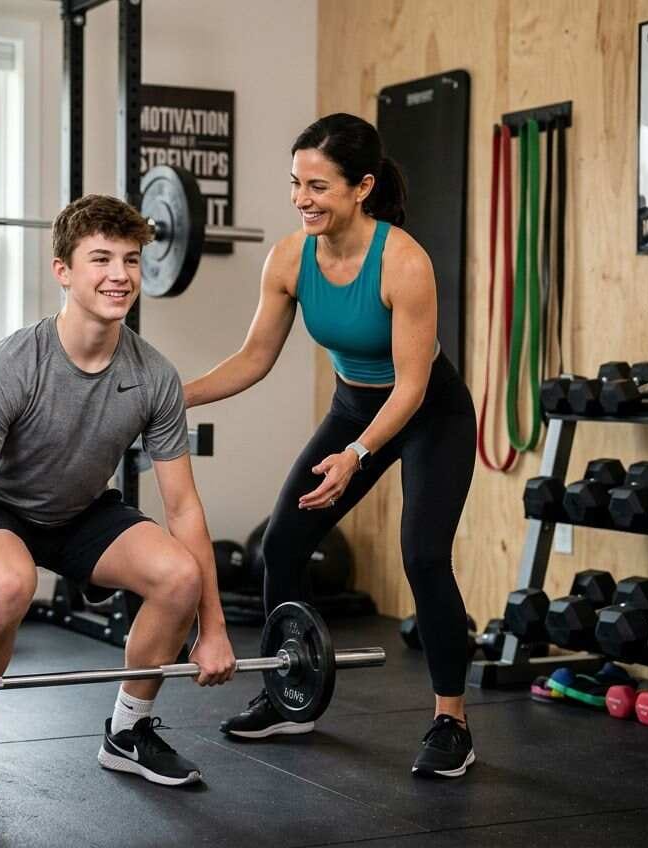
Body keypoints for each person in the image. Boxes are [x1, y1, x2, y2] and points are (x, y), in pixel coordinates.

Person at [185, 113, 477, 778]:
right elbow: (254, 358)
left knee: (424, 556)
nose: (301, 198)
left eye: (317, 186)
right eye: (295, 184)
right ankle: (294, 698)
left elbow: (410, 388)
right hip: (354, 407)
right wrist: (176, 395)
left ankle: (451, 720)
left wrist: (359, 455)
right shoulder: (290, 258)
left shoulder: (404, 262)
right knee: (285, 542)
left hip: (429, 412)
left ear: (361, 187)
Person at [0, 194, 237, 807]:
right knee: (10, 585)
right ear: (62, 270)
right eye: (100, 259)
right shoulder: (13, 366)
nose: (119, 275)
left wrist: (213, 628)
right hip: (1, 510)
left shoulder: (155, 376)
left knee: (179, 575)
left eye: (131, 259)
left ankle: (127, 731)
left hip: (82, 511)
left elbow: (185, 509)